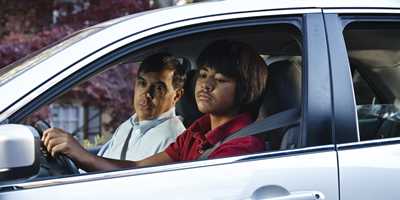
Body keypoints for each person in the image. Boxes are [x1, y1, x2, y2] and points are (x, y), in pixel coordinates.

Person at [43, 40, 268, 172]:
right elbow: (139, 168)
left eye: (220, 79)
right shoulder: (196, 132)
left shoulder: (241, 147)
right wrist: (80, 154)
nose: (205, 85)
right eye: (203, 75)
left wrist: (82, 155)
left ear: (245, 88)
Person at [42, 52, 187, 165]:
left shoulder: (174, 139)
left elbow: (133, 181)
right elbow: (101, 161)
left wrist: (78, 152)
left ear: (176, 96)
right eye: (142, 83)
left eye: (158, 88)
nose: (146, 94)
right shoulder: (129, 124)